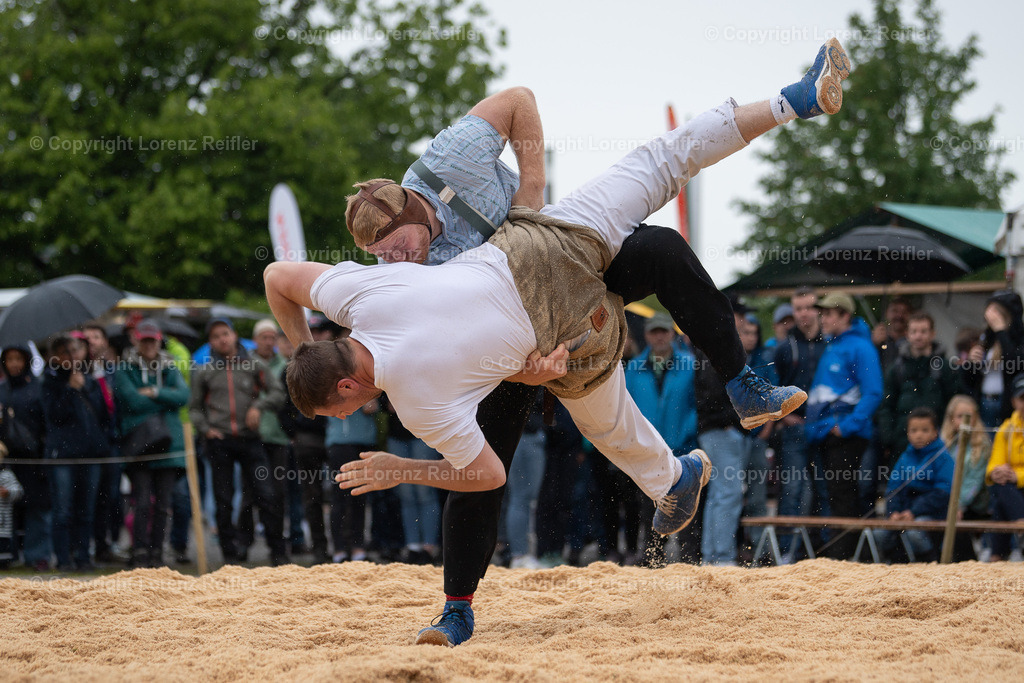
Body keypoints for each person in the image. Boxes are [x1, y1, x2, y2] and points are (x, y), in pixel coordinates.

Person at [271, 41, 851, 643]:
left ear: (411, 206)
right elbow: (281, 279)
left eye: (397, 247)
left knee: (664, 205)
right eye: (381, 257)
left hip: (547, 242)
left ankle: (794, 103)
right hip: (541, 326)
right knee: (568, 419)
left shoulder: (445, 166)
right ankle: (470, 597)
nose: (397, 261)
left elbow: (518, 99)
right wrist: (306, 358)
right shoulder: (373, 289)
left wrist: (531, 192)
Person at [189, 318, 287, 566]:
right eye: (215, 336)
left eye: (225, 333)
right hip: (219, 441)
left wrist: (258, 406)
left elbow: (278, 393)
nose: (222, 339)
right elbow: (194, 409)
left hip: (250, 439)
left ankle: (278, 552)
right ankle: (230, 555)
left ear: (234, 335)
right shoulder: (204, 371)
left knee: (267, 494)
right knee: (223, 500)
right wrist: (205, 429)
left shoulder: (254, 365)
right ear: (211, 342)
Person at [805, 292, 883, 560]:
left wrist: (847, 426)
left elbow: (873, 392)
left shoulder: (861, 347)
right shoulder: (833, 345)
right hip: (825, 433)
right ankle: (838, 554)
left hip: (845, 435)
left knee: (844, 495)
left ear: (845, 316)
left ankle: (844, 558)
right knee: (831, 495)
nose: (823, 319)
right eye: (823, 313)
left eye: (828, 314)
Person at [623, 313, 698, 566]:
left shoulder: (690, 364)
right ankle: (652, 558)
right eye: (654, 331)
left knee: (686, 505)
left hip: (683, 447)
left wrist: (687, 432)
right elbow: (627, 408)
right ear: (646, 335)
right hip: (648, 452)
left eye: (664, 331)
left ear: (672, 334)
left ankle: (689, 559)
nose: (659, 336)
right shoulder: (633, 368)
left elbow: (697, 403)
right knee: (649, 506)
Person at [114, 320, 190, 568]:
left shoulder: (170, 367)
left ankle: (157, 552)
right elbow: (131, 401)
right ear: (137, 341)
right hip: (140, 444)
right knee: (143, 502)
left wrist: (155, 392)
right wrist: (166, 399)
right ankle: (140, 552)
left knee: (164, 505)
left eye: (153, 340)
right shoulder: (125, 368)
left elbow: (183, 396)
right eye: (144, 340)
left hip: (169, 445)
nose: (149, 345)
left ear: (159, 341)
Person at [41, 335, 110, 571]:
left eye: (74, 350)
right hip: (62, 455)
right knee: (63, 510)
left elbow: (102, 414)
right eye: (64, 352)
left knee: (87, 511)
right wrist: (70, 390)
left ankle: (83, 557)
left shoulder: (89, 379)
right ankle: (63, 559)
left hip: (90, 454)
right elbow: (55, 416)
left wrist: (85, 388)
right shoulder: (49, 382)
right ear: (54, 357)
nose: (71, 356)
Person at [772, 287, 826, 561]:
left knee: (823, 488)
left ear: (818, 309)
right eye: (798, 308)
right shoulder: (784, 347)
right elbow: (772, 387)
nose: (803, 313)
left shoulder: (831, 343)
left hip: (825, 427)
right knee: (792, 489)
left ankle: (821, 550)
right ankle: (786, 552)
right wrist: (784, 416)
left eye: (808, 307)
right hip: (794, 428)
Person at [874, 407, 953, 563]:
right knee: (880, 533)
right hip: (904, 512)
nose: (919, 435)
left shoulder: (943, 457)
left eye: (925, 430)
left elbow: (943, 492)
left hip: (932, 513)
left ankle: (928, 561)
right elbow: (894, 488)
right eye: (914, 430)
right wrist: (894, 511)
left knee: (914, 533)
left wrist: (914, 511)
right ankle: (895, 562)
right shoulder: (905, 457)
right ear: (908, 433)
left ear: (935, 432)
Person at [877, 312, 960, 459]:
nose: (918, 336)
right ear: (907, 334)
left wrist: (948, 433)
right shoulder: (896, 369)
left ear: (932, 334)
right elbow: (886, 406)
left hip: (937, 441)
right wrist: (888, 438)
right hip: (902, 442)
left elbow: (954, 403)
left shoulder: (945, 367)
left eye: (923, 331)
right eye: (914, 331)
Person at [250, 319, 299, 554]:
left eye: (272, 338)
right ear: (255, 340)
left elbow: (289, 403)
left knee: (278, 493)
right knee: (250, 492)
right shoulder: (245, 364)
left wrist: (291, 430)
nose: (269, 342)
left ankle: (278, 544)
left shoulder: (287, 366)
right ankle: (244, 543)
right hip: (252, 436)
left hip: (279, 437)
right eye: (264, 337)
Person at [0, 345, 50, 571]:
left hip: (33, 458)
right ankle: (7, 554)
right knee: (6, 507)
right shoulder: (2, 389)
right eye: (9, 359)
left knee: (36, 507)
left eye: (18, 359)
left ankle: (37, 556)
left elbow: (46, 424)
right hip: (5, 459)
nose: (14, 364)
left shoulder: (38, 388)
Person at [964, 291, 1024, 429]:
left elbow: (1014, 364)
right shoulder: (987, 339)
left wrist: (1001, 331)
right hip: (984, 401)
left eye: (997, 312)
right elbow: (970, 380)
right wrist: (971, 362)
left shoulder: (1018, 338)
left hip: (1008, 403)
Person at [986, 374, 1024, 561]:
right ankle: (1021, 524)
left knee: (1002, 496)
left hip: (1016, 486)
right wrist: (996, 472)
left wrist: (1017, 476)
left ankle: (997, 555)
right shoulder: (1006, 428)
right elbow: (994, 464)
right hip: (1012, 490)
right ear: (1013, 401)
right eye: (1022, 398)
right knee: (1002, 486)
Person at [939, 395, 992, 521]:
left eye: (968, 416)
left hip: (972, 506)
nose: (964, 421)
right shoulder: (943, 444)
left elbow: (974, 481)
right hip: (944, 502)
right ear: (951, 418)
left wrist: (958, 505)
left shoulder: (981, 445)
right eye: (959, 416)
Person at [871, 297, 912, 373]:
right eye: (895, 311)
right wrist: (873, 344)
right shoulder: (877, 340)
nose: (899, 315)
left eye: (904, 312)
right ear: (887, 313)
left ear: (909, 315)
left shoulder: (913, 342)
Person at [0, 442, 24, 569]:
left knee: (3, 550)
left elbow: (18, 491)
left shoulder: (6, 475)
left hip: (3, 524)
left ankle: (5, 565)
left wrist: (8, 492)